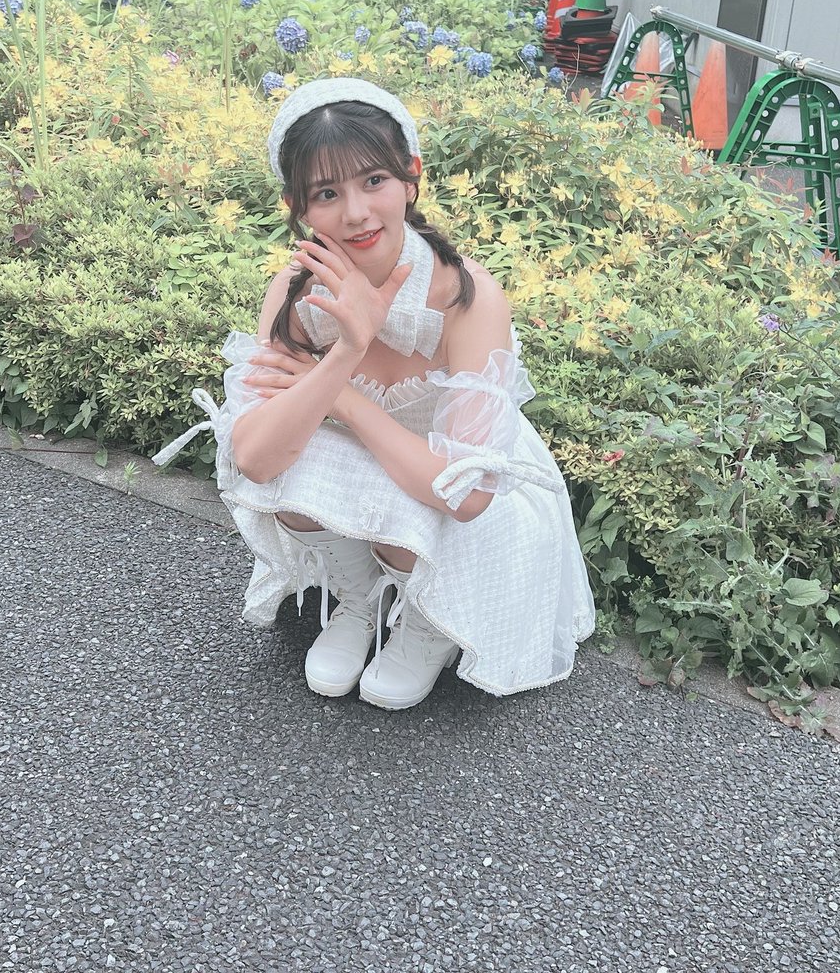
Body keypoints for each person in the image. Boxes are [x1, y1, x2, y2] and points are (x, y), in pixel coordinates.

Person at [153, 78, 595, 710]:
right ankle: (360, 600)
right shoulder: (296, 292)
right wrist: (348, 348)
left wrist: (341, 398)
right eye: (327, 193)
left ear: (411, 177)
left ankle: (427, 623)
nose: (356, 213)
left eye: (374, 181)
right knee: (287, 454)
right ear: (298, 206)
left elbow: (467, 493)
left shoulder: (467, 297)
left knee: (407, 493)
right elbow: (253, 458)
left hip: (470, 494)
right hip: (384, 473)